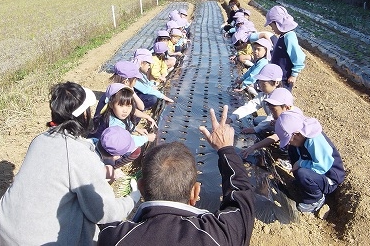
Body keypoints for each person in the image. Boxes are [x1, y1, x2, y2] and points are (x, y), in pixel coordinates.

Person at [0, 82, 140, 245]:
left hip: (7, 228)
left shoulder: (40, 139)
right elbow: (103, 212)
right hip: (37, 240)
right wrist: (133, 198)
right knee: (92, 225)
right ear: (84, 115)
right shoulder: (80, 153)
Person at [97, 105, 255, 246]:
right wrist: (225, 149)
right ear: (195, 193)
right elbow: (242, 201)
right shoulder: (221, 235)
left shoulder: (113, 237)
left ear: (141, 188)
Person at [274, 110, 345, 213]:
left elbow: (322, 166)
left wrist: (300, 164)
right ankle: (305, 183)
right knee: (292, 150)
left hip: (329, 178)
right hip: (317, 173)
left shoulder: (315, 140)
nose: (289, 142)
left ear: (297, 134)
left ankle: (315, 199)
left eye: (289, 139)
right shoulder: (302, 138)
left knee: (302, 173)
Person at [241, 87, 302, 158]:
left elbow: (276, 137)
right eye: (270, 110)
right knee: (258, 120)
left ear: (287, 107)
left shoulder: (291, 120)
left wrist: (254, 147)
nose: (272, 114)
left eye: (274, 110)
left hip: (298, 144)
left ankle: (286, 152)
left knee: (292, 149)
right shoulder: (285, 114)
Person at [91, 83, 156, 146]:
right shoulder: (113, 125)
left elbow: (125, 123)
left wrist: (137, 129)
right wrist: (146, 138)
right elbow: (126, 142)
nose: (125, 110)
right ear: (111, 104)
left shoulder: (114, 114)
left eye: (129, 106)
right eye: (121, 105)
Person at [228, 63, 283, 135]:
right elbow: (249, 107)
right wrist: (231, 118)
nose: (260, 86)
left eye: (264, 84)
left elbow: (271, 117)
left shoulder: (280, 97)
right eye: (259, 82)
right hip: (274, 121)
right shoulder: (264, 95)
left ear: (276, 82)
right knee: (257, 120)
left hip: (284, 125)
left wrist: (255, 129)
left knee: (267, 124)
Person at [263, 5, 306, 91]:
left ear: (277, 23)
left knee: (281, 98)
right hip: (277, 76)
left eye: (272, 25)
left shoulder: (289, 36)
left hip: (284, 77)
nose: (272, 28)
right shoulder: (283, 36)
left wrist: (294, 75)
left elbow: (299, 57)